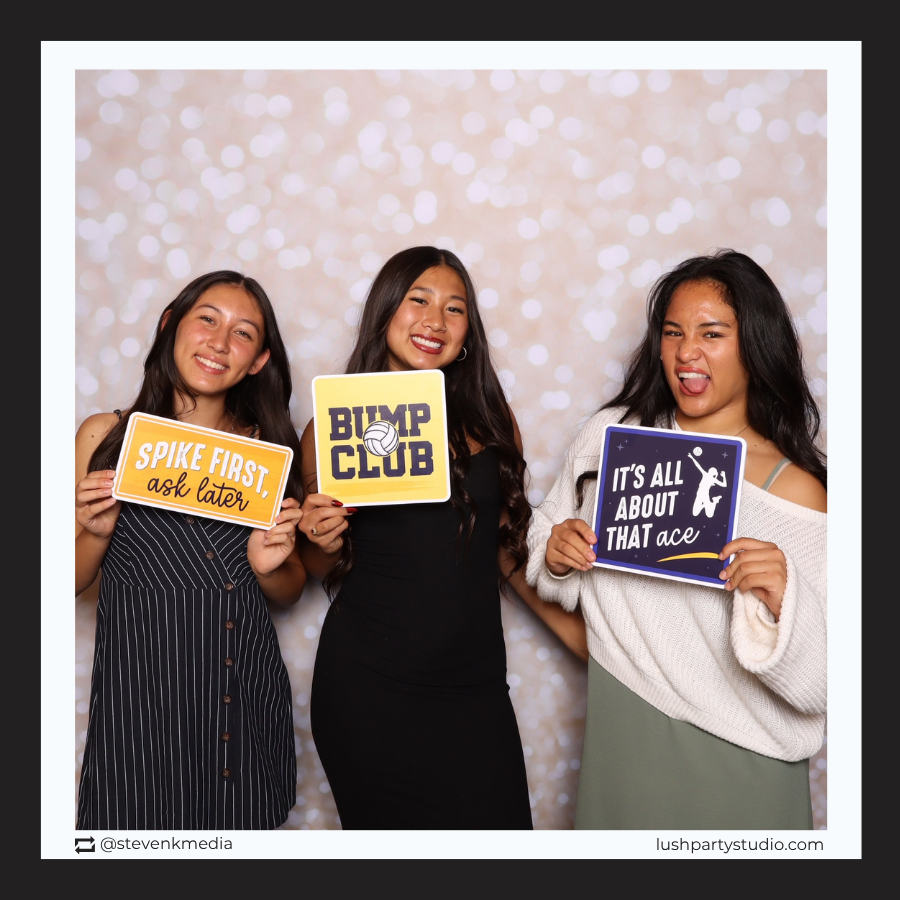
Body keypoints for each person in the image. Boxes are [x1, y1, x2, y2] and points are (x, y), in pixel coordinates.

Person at [526, 249, 827, 830]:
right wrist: (557, 555)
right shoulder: (614, 438)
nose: (687, 352)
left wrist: (787, 601)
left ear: (755, 346)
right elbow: (542, 548)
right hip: (624, 742)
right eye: (673, 333)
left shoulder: (799, 493)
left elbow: (829, 679)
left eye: (711, 333)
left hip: (745, 763)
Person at [297, 245, 587, 829]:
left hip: (471, 688)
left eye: (455, 310)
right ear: (385, 310)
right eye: (418, 300)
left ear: (467, 332)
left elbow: (506, 550)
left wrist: (588, 642)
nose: (435, 321)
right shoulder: (331, 426)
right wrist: (318, 536)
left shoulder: (490, 419)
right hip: (367, 688)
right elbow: (309, 562)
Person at [75, 270, 307, 830]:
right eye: (207, 318)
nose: (220, 341)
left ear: (258, 360)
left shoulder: (269, 453)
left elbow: (292, 589)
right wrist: (95, 532)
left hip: (238, 701)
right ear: (169, 325)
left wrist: (268, 566)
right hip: (138, 707)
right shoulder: (105, 435)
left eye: (243, 333)